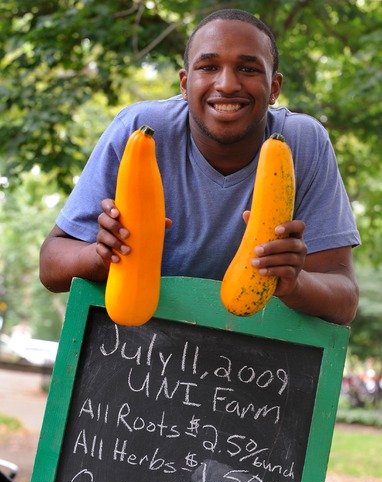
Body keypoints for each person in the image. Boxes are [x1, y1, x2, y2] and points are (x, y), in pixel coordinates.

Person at [39, 9, 360, 326]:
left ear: (274, 87)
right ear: (184, 82)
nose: (227, 84)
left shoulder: (303, 142)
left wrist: (294, 282)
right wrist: (102, 254)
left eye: (248, 69)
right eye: (208, 67)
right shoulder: (140, 130)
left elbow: (344, 300)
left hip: (257, 365)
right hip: (131, 352)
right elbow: (51, 266)